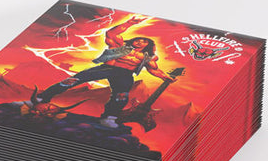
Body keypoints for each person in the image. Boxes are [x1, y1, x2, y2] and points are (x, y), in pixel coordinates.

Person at [33, 16, 176, 123]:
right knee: (73, 80)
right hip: (107, 68)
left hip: (125, 74)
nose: (140, 42)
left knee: (121, 95)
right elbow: (111, 34)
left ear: (148, 45)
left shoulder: (148, 57)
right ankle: (44, 97)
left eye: (144, 41)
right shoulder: (119, 46)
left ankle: (110, 117)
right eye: (138, 39)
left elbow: (154, 70)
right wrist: (129, 23)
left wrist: (165, 77)